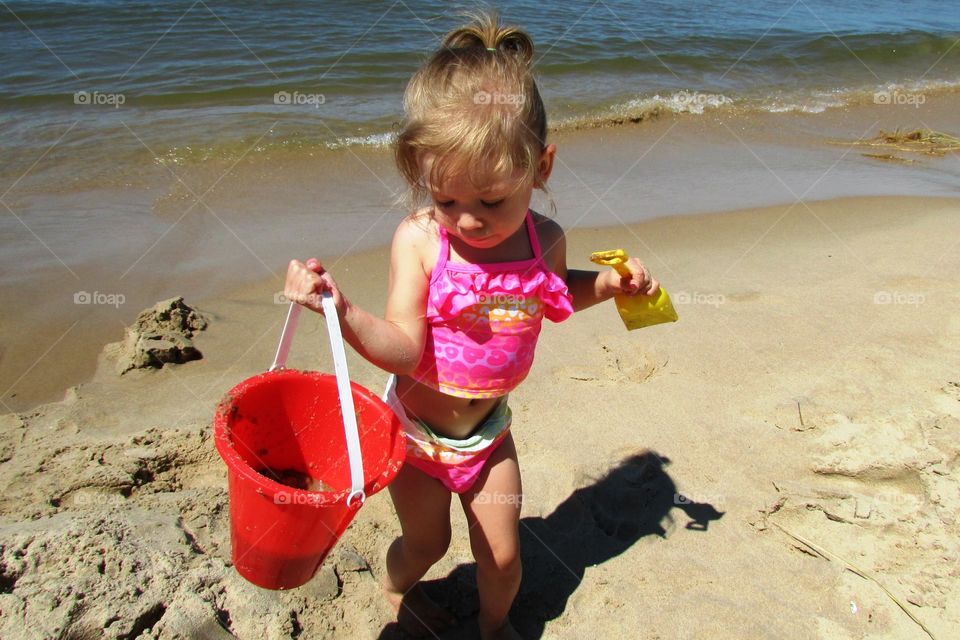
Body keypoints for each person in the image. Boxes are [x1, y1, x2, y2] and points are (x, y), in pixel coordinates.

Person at [283, 11, 659, 639]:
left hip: (488, 434)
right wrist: (339, 310)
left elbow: (553, 294)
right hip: (416, 438)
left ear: (541, 168)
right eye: (446, 199)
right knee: (425, 544)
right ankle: (395, 590)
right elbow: (404, 350)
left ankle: (492, 628)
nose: (468, 220)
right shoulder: (421, 242)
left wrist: (607, 286)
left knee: (505, 558)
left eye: (491, 200)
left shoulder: (545, 240)